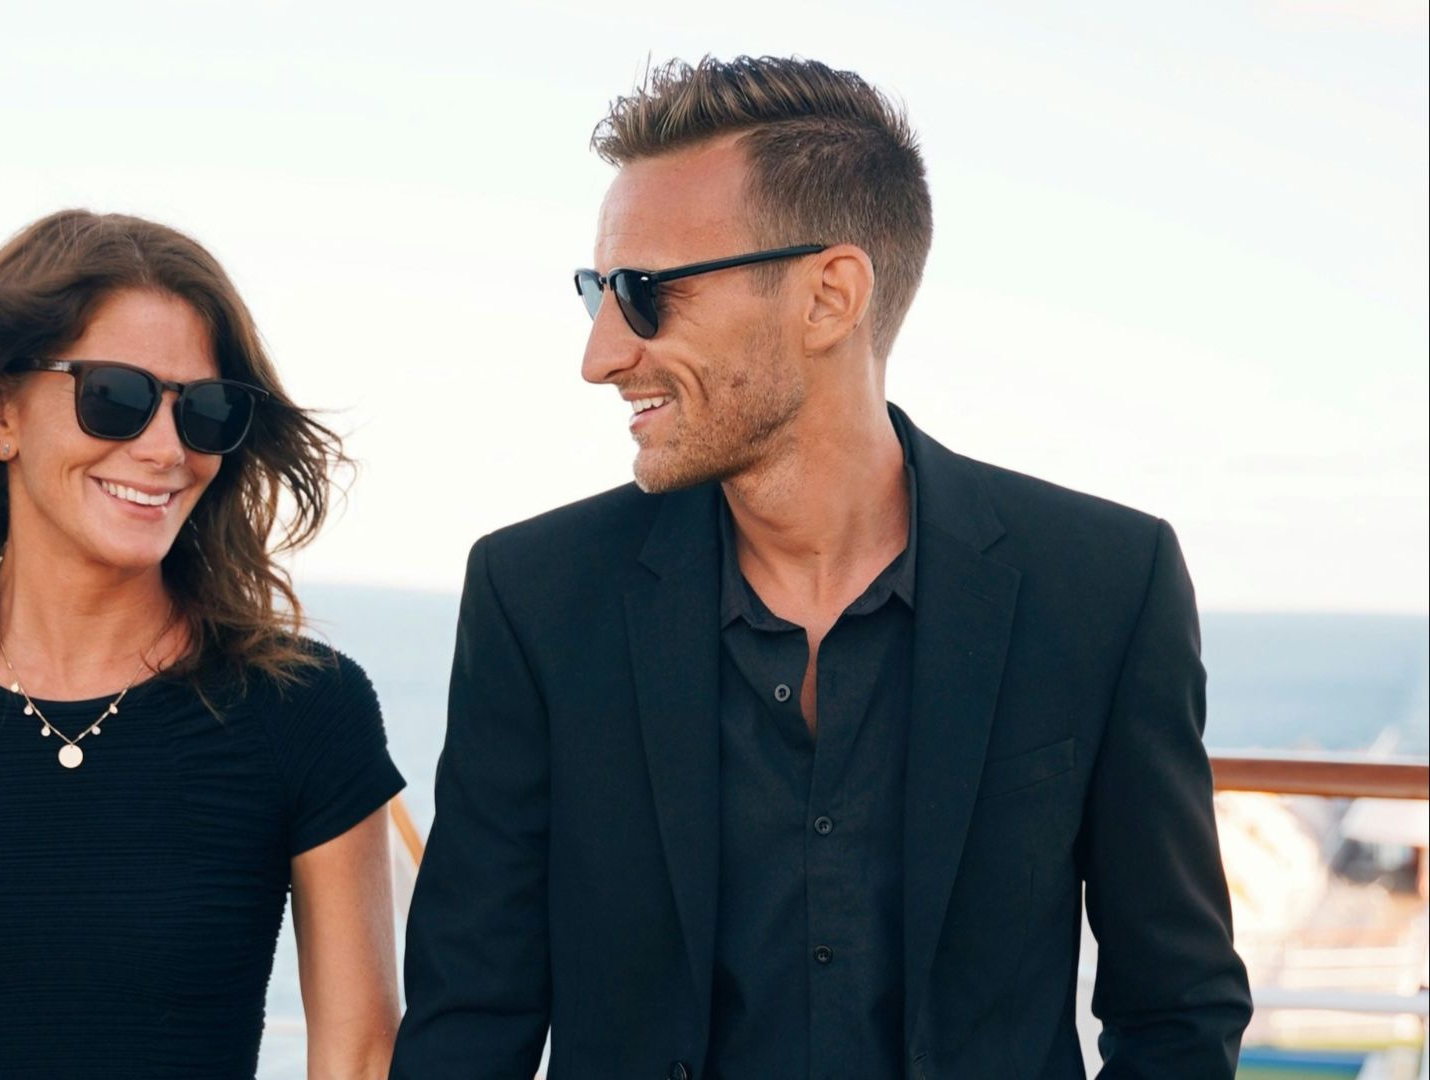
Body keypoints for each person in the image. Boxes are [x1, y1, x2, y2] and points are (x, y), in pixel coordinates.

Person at [393, 56, 1252, 1079]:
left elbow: (1179, 1010)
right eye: (596, 292)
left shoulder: (1106, 585)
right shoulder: (533, 598)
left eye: (643, 293)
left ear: (829, 297)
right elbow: (468, 1022)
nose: (601, 354)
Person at [0, 209, 404, 1079]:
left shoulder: (308, 708)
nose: (167, 449)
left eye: (205, 411)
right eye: (116, 397)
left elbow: (360, 1061)